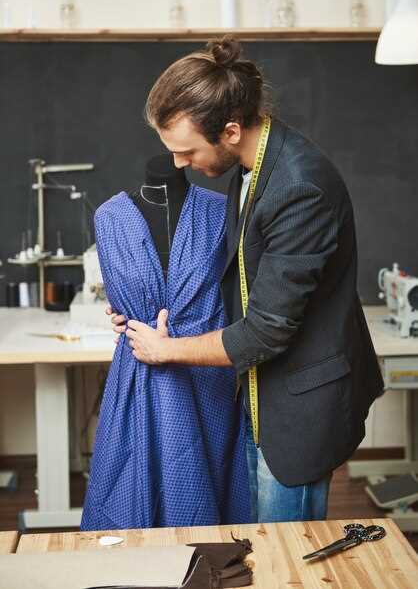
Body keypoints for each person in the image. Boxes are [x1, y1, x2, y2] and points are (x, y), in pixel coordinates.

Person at [110, 36, 384, 523]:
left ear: (230, 130)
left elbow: (266, 329)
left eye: (187, 150)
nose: (178, 163)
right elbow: (246, 277)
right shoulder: (249, 168)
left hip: (302, 405)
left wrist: (166, 350)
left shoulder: (298, 187)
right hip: (262, 394)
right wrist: (143, 316)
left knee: (287, 556)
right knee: (258, 542)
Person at [81, 154, 250, 530]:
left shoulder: (220, 212)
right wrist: (123, 308)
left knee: (211, 483)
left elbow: (238, 294)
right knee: (134, 485)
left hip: (206, 370)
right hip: (140, 367)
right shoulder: (109, 218)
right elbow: (122, 290)